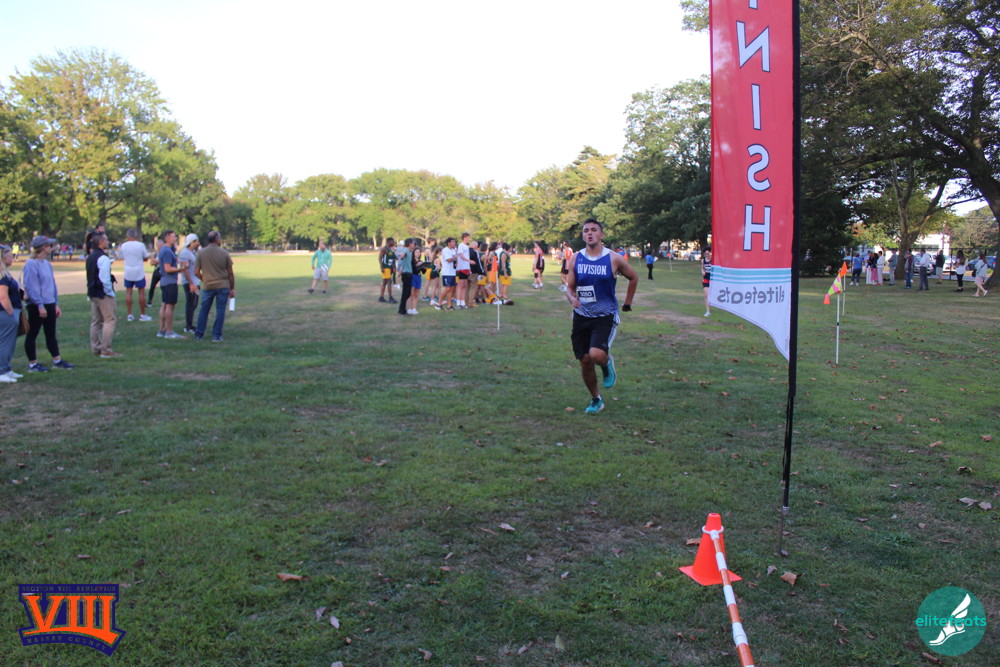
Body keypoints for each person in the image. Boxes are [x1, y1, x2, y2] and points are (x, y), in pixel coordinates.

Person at [565, 219, 638, 415]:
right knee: (585, 360)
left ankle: (606, 363)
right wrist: (572, 298)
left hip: (605, 316)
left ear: (601, 235)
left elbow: (633, 277)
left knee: (596, 355)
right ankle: (596, 399)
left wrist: (627, 303)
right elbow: (569, 287)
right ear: (583, 235)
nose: (589, 233)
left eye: (593, 230)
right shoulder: (576, 258)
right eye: (586, 230)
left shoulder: (613, 258)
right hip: (581, 316)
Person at [22, 236, 74, 372]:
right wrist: (40, 305)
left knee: (50, 333)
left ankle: (57, 361)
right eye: (49, 246)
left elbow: (52, 285)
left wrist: (55, 303)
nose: (52, 248)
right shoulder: (31, 264)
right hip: (36, 305)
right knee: (33, 333)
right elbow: (32, 286)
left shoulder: (47, 264)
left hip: (49, 303)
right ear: (43, 247)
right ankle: (33, 364)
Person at [194, 230, 235, 341]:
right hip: (222, 285)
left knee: (204, 310)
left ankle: (199, 334)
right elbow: (230, 273)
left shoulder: (201, 253)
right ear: (217, 240)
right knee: (220, 310)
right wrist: (232, 287)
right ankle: (216, 335)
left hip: (208, 286)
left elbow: (196, 271)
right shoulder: (224, 253)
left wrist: (204, 279)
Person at [85, 232, 121, 358]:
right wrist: (109, 293)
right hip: (103, 294)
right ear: (100, 242)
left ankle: (96, 347)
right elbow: (105, 279)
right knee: (109, 320)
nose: (107, 241)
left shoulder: (90, 257)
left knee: (96, 321)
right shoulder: (103, 258)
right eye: (105, 240)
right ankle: (106, 349)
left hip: (93, 292)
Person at [156, 231, 186, 339]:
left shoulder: (165, 250)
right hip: (170, 281)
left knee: (164, 304)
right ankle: (169, 332)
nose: (175, 238)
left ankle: (161, 330)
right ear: (167, 238)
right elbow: (168, 268)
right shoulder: (167, 251)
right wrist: (181, 269)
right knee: (169, 306)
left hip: (164, 281)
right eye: (173, 237)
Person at [0, 245, 23, 382]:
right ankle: (1, 371)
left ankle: (7, 368)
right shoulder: (2, 276)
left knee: (9, 343)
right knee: (4, 343)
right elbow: (3, 297)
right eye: (10, 256)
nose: (12, 258)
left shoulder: (5, 274)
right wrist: (11, 315)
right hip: (5, 313)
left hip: (8, 313)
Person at [119, 228, 152, 322]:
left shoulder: (124, 245)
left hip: (128, 270)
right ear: (135, 235)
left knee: (128, 292)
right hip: (138, 271)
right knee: (141, 293)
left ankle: (130, 314)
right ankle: (142, 314)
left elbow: (121, 256)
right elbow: (145, 257)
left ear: (128, 236)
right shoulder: (140, 245)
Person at [179, 233, 201, 333]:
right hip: (190, 282)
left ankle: (190, 324)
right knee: (190, 303)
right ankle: (189, 326)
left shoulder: (193, 252)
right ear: (192, 242)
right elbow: (184, 269)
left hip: (195, 281)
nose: (198, 243)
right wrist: (191, 283)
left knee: (194, 303)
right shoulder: (185, 253)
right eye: (196, 241)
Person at [396, 237, 414, 316]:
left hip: (408, 273)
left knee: (408, 293)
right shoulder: (406, 250)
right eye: (413, 243)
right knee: (405, 293)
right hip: (406, 274)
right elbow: (402, 255)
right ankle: (402, 310)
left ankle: (402, 309)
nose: (414, 244)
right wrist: (402, 256)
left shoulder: (409, 252)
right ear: (410, 244)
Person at [440, 237, 458, 310]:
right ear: (448, 243)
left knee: (452, 290)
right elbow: (449, 260)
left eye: (455, 242)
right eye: (453, 242)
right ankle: (439, 303)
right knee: (447, 289)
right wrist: (455, 257)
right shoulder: (445, 250)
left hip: (453, 272)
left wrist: (456, 262)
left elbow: (455, 261)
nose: (454, 243)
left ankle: (449, 305)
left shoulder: (454, 250)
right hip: (447, 273)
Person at [456, 232, 473, 308]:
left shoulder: (466, 246)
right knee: (460, 285)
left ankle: (462, 302)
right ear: (464, 238)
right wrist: (469, 261)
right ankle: (458, 302)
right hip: (461, 267)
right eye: (468, 237)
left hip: (466, 267)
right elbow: (461, 256)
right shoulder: (461, 245)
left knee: (464, 285)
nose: (469, 239)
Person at [377, 238, 397, 303]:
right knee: (389, 281)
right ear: (389, 242)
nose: (393, 243)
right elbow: (380, 258)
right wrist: (381, 267)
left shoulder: (391, 249)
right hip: (385, 267)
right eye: (392, 241)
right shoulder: (384, 249)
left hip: (389, 267)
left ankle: (381, 297)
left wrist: (394, 267)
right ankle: (390, 297)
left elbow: (394, 258)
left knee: (384, 282)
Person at [147, 237, 163, 308]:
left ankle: (164, 301)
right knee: (152, 286)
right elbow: (152, 263)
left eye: (161, 245)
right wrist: (157, 261)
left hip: (163, 271)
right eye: (159, 245)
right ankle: (149, 301)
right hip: (156, 270)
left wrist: (156, 261)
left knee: (163, 287)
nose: (160, 246)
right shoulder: (155, 254)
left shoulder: (164, 252)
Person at [702, 246, 713, 317]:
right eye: (705, 254)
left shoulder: (713, 260)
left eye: (708, 253)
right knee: (706, 294)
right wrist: (702, 272)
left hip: (713, 279)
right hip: (706, 279)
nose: (707, 255)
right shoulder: (703, 260)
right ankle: (708, 311)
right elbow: (702, 268)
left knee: (712, 295)